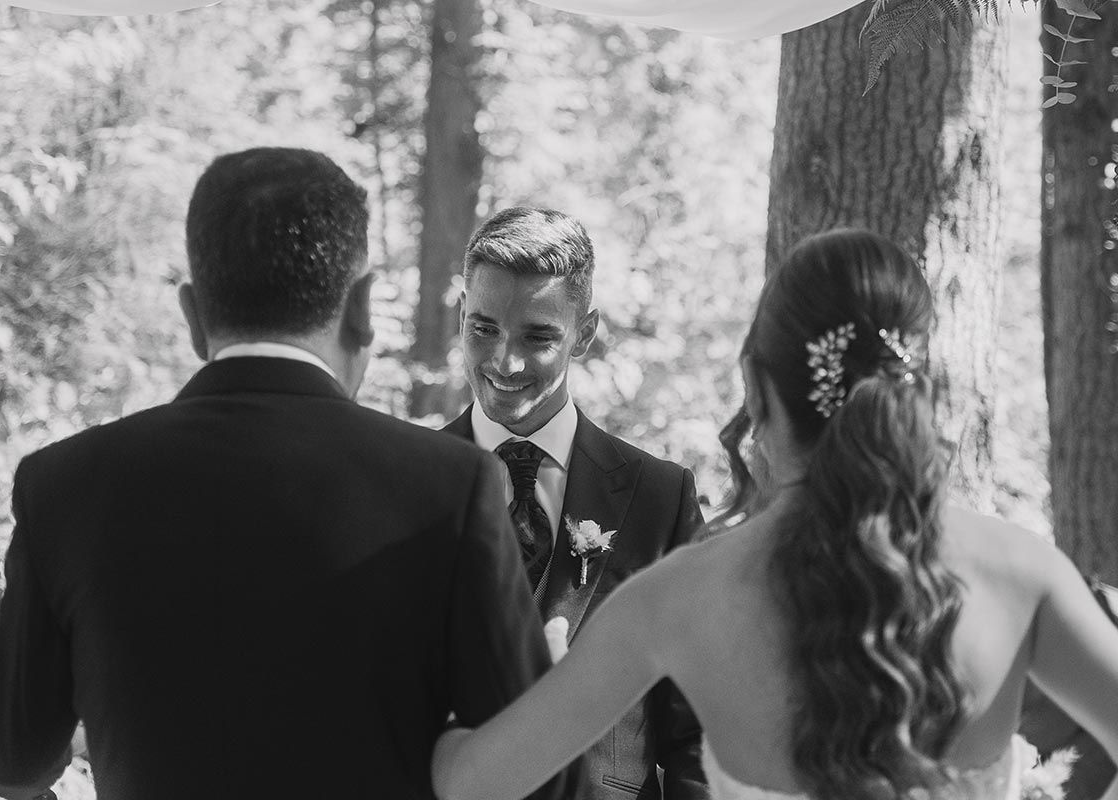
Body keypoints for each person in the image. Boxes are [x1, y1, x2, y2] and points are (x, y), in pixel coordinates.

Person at [0, 147, 569, 800]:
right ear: (363, 309)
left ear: (194, 317)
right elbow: (538, 784)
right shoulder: (452, 488)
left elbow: (10, 760)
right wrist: (547, 694)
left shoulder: (66, 485)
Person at [431, 228, 1118, 800]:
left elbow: (474, 783)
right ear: (911, 386)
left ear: (757, 386)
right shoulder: (1021, 573)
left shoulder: (680, 597)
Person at [442, 206, 708, 800]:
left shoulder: (660, 497)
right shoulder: (404, 483)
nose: (504, 362)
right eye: (483, 328)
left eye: (538, 337)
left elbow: (695, 727)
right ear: (462, 314)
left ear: (584, 333)